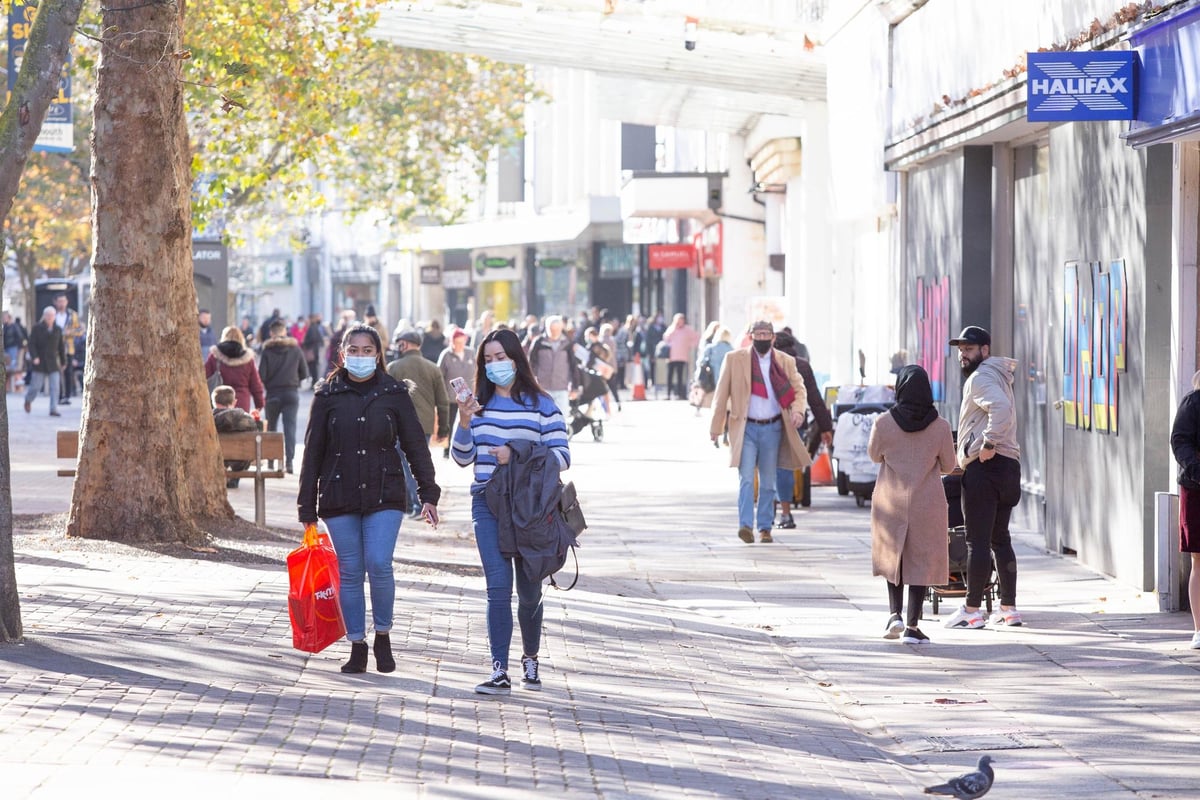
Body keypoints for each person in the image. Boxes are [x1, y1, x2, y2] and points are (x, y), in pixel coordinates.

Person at [298, 323, 441, 674]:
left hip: (385, 492)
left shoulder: (394, 392)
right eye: (353, 350)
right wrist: (307, 507)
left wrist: (428, 492)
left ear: (378, 355)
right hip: (338, 492)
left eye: (367, 350)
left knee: (378, 563)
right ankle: (357, 644)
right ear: (342, 353)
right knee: (349, 571)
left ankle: (383, 635)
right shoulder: (327, 395)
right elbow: (313, 451)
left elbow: (414, 445)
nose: (360, 356)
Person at [451, 328, 570, 695]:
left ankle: (530, 660)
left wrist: (515, 451)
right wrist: (465, 420)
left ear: (517, 359)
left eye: (501, 357)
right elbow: (460, 457)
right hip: (488, 503)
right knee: (498, 587)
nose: (494, 365)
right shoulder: (476, 406)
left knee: (530, 590)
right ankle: (498, 669)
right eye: (487, 359)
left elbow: (562, 456)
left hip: (532, 507)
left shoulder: (542, 405)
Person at [868, 365, 957, 645]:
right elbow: (949, 465)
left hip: (890, 499)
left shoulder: (883, 423)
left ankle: (894, 614)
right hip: (927, 502)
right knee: (921, 560)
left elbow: (873, 456)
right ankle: (914, 626)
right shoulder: (940, 426)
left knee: (894, 555)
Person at [944, 325, 1023, 630]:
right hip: (1008, 467)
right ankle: (1009, 608)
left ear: (985, 350)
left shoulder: (980, 377)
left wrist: (987, 443)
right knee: (1000, 538)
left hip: (986, 466)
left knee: (977, 541)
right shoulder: (998, 376)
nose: (963, 355)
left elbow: (999, 409)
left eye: (969, 349)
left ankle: (972, 609)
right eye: (961, 350)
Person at [708, 320, 809, 543]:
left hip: (772, 428)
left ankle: (764, 527)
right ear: (750, 336)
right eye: (758, 334)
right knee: (745, 478)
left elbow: (799, 389)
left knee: (767, 480)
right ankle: (745, 525)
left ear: (773, 338)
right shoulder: (734, 359)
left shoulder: (785, 361)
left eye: (766, 334)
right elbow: (721, 394)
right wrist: (716, 427)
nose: (762, 338)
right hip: (745, 428)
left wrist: (798, 412)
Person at [772, 330, 834, 527]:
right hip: (795, 422)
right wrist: (826, 428)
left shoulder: (768, 363)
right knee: (785, 468)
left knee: (767, 467)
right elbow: (815, 399)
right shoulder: (802, 364)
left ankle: (769, 511)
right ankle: (786, 513)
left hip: (768, 421)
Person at [387, 328, 450, 514]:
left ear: (403, 344)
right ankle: (416, 503)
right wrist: (444, 428)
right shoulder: (432, 368)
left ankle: (415, 504)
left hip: (400, 425)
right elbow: (443, 401)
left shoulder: (393, 367)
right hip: (425, 424)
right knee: (419, 463)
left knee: (405, 466)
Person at [1169, 369, 1200, 649]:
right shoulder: (1193, 403)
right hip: (1197, 489)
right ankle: (1199, 629)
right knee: (1199, 560)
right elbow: (1180, 441)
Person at [257, 319, 309, 473]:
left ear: (271, 333)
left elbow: (262, 375)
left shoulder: (267, 351)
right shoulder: (296, 349)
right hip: (291, 393)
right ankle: (289, 463)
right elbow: (305, 373)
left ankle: (272, 462)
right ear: (285, 331)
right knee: (290, 428)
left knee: (272, 428)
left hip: (273, 393)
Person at [528, 315, 579, 417]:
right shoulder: (539, 342)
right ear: (547, 328)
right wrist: (531, 383)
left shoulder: (567, 343)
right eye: (552, 330)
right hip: (543, 388)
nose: (555, 332)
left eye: (557, 330)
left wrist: (575, 387)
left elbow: (573, 366)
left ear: (561, 329)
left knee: (562, 418)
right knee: (542, 417)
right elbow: (530, 364)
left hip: (562, 387)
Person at [205, 326, 265, 413]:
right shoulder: (248, 359)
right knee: (240, 425)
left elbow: (205, 377)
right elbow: (255, 385)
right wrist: (259, 404)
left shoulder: (215, 356)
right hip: (242, 402)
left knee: (220, 424)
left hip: (220, 402)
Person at [437, 326, 475, 459]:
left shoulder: (471, 353)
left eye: (462, 341)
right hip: (451, 396)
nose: (460, 345)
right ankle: (446, 449)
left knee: (471, 422)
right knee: (449, 422)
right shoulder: (446, 354)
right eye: (457, 342)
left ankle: (471, 446)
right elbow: (439, 375)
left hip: (469, 396)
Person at [212, 384, 260, 488]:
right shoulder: (245, 419)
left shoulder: (209, 420)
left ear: (214, 402)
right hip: (239, 461)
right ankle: (233, 480)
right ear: (234, 402)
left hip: (214, 460)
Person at [23, 306, 64, 416]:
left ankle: (53, 409)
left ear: (55, 317)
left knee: (55, 387)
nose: (50, 317)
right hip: (39, 361)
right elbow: (31, 344)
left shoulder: (58, 329)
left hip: (53, 362)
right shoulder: (37, 328)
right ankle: (28, 399)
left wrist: (63, 362)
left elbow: (61, 347)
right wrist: (34, 357)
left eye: (52, 315)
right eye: (48, 315)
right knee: (36, 386)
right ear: (44, 316)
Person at [692, 325, 733, 415]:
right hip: (726, 378)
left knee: (712, 397)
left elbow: (700, 362)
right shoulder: (731, 349)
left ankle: (699, 408)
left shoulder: (710, 347)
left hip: (711, 377)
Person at [53, 294, 83, 405]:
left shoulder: (73, 315)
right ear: (56, 302)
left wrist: (71, 332)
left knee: (68, 372)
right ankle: (59, 395)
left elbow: (80, 330)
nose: (61, 304)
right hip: (55, 348)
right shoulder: (51, 314)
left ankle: (67, 396)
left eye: (63, 301)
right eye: (59, 301)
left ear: (67, 302)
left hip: (68, 348)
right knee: (56, 371)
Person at [663, 313, 700, 400]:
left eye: (681, 320)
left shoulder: (688, 329)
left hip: (682, 356)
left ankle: (680, 394)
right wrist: (674, 328)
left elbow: (697, 338)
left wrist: (690, 345)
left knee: (680, 376)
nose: (680, 322)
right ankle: (668, 394)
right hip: (671, 356)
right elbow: (665, 338)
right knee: (670, 375)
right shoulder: (671, 328)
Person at [4, 311, 28, 393]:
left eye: (5, 318)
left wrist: (20, 347)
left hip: (13, 347)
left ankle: (15, 384)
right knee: (7, 364)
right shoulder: (5, 327)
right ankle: (9, 386)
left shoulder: (14, 326)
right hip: (7, 347)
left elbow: (20, 336)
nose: (4, 319)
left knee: (13, 364)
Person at [302, 312, 327, 386]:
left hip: (313, 351)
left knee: (313, 368)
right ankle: (314, 382)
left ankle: (314, 383)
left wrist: (305, 342)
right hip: (315, 350)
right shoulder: (315, 327)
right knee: (314, 368)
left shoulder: (312, 327)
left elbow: (313, 339)